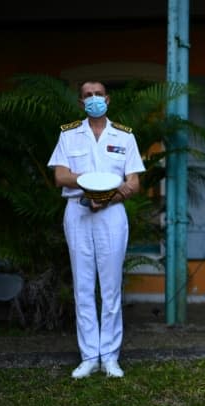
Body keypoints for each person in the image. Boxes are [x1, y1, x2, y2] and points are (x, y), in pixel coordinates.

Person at [47, 80, 145, 379]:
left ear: (108, 99)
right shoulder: (69, 135)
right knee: (83, 286)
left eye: (98, 94)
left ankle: (110, 357)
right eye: (87, 96)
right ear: (81, 103)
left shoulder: (124, 136)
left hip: (111, 214)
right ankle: (89, 356)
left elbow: (134, 182)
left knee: (112, 286)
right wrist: (94, 183)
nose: (93, 99)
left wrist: (107, 197)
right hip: (77, 212)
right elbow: (60, 177)